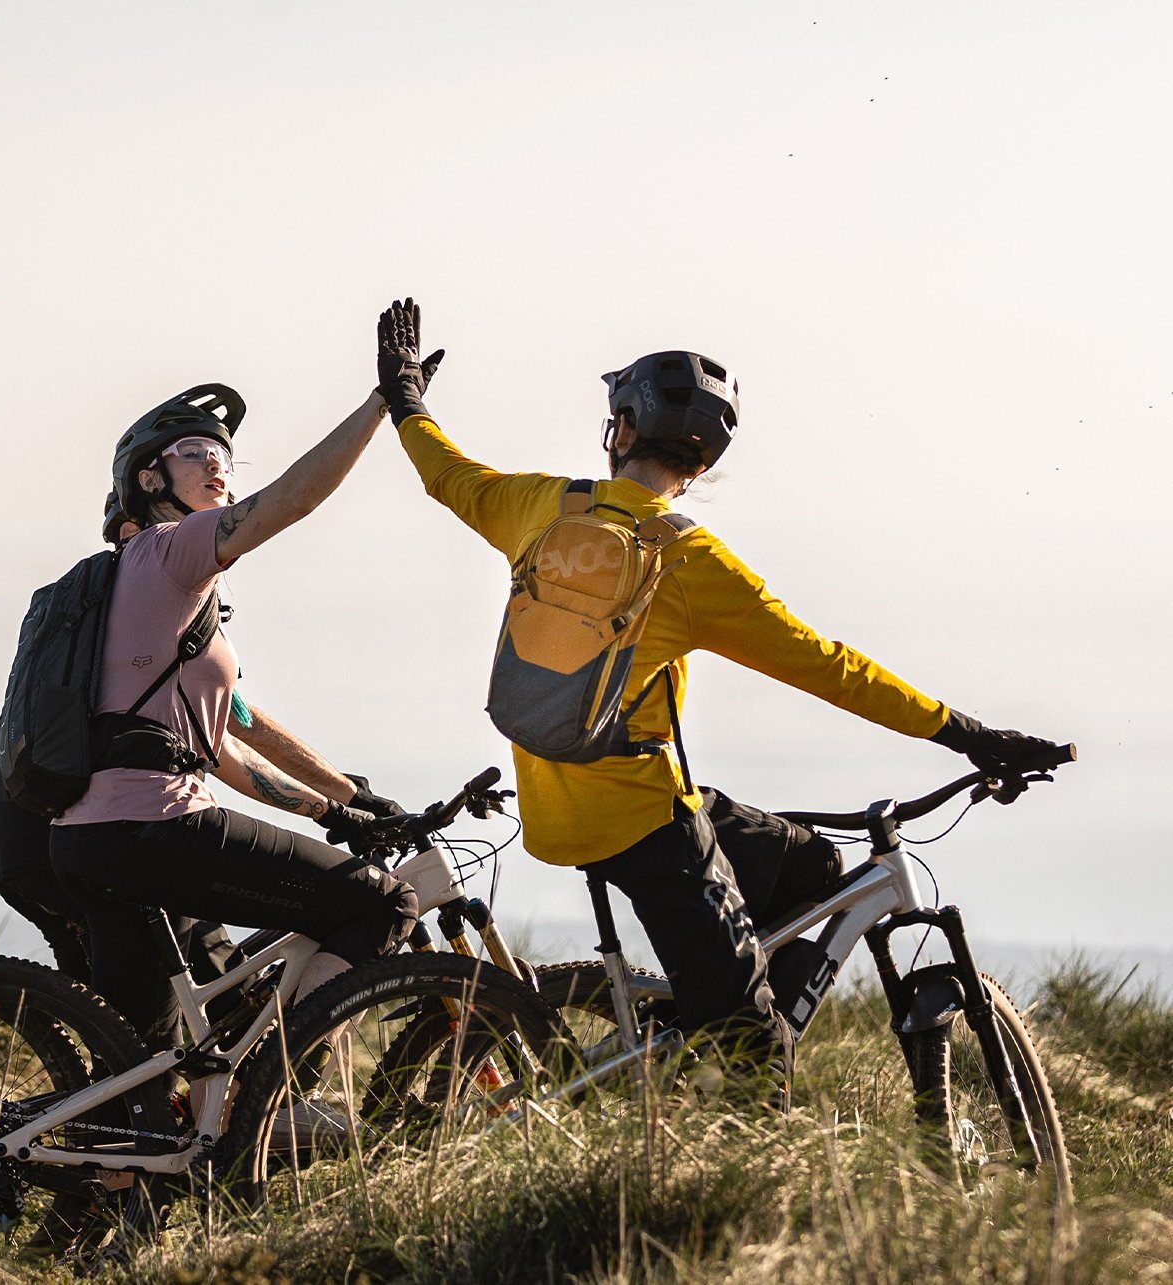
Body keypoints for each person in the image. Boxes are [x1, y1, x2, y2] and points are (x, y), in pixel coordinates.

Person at [375, 298, 1056, 1092]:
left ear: (620, 431)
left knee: (814, 866)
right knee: (758, 1050)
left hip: (552, 802)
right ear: (700, 465)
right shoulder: (692, 563)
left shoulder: (539, 507)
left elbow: (443, 471)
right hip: (643, 820)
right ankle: (720, 1043)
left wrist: (405, 391)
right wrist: (965, 732)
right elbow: (827, 664)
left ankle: (709, 991)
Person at [49, 380, 419, 1053]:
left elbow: (222, 743)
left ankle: (113, 1154)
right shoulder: (173, 549)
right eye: (194, 451)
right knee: (383, 902)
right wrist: (379, 405)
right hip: (157, 824)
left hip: (88, 836)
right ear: (149, 476)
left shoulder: (142, 592)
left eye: (224, 453)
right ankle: (275, 1097)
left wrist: (337, 806)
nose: (217, 462)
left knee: (146, 1075)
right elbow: (291, 499)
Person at [0, 493, 405, 994]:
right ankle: (279, 1068)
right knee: (222, 988)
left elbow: (230, 731)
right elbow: (240, 731)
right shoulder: (144, 604)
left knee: (133, 1030)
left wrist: (338, 801)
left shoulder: (88, 623)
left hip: (32, 838)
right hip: (114, 831)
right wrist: (347, 800)